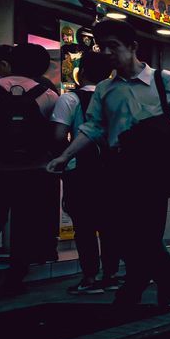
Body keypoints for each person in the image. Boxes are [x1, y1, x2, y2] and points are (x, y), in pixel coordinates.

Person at [46, 20, 170, 307]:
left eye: (114, 46)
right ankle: (164, 269)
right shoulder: (104, 89)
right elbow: (93, 127)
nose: (108, 53)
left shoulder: (164, 80)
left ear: (133, 47)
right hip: (117, 167)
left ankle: (135, 285)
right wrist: (65, 156)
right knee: (118, 230)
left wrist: (148, 133)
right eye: (104, 48)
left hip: (153, 167)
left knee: (147, 231)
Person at [0, 42, 61, 293]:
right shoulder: (49, 95)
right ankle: (15, 280)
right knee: (25, 225)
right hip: (34, 171)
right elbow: (56, 137)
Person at [52, 50, 118, 294]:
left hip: (80, 172)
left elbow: (58, 135)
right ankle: (110, 274)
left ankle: (90, 277)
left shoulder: (69, 100)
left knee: (84, 226)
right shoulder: (116, 100)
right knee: (111, 225)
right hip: (113, 172)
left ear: (81, 72)